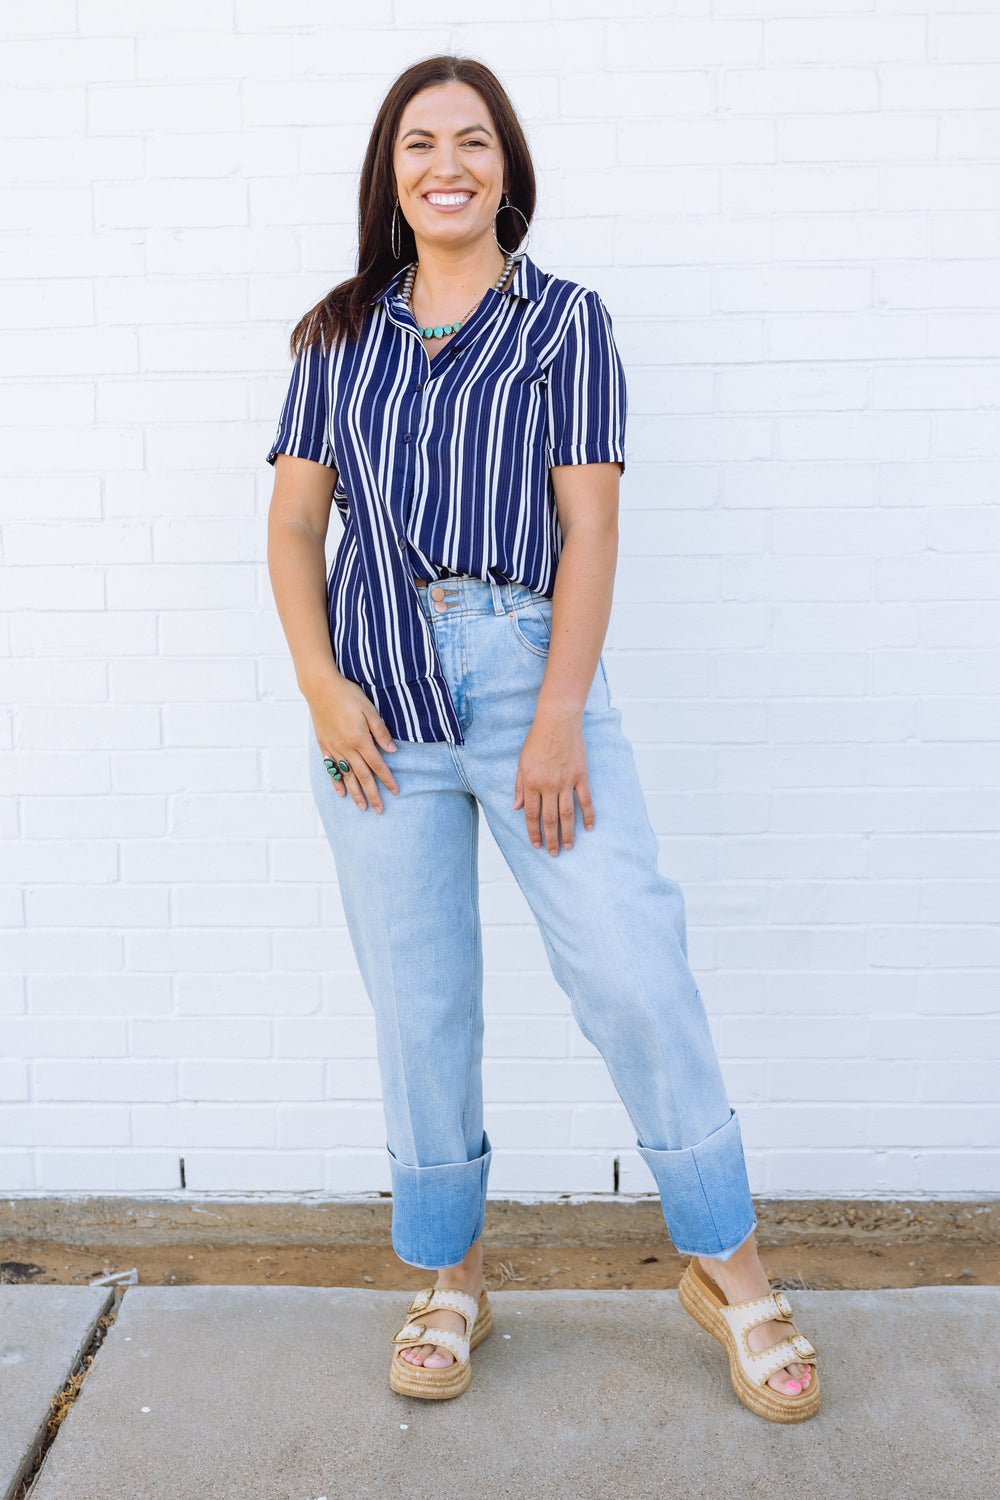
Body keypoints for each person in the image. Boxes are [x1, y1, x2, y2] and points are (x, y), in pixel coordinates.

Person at [265, 54, 819, 1421]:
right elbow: (292, 528)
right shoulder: (337, 334)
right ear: (389, 175)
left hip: (525, 677)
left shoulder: (566, 323)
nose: (444, 164)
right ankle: (449, 1280)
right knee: (424, 1005)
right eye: (417, 144)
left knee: (633, 970)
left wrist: (559, 712)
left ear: (506, 165)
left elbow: (590, 527)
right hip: (375, 704)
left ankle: (732, 1272)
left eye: (470, 140)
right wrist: (320, 689)